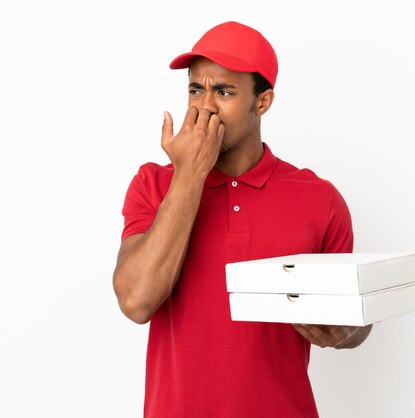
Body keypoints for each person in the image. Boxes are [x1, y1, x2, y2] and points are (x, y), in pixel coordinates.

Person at [113, 21, 372, 418]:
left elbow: (356, 318)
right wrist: (189, 175)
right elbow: (135, 301)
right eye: (196, 89)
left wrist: (348, 332)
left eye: (224, 91)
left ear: (263, 101)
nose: (205, 106)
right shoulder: (153, 183)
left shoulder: (321, 200)